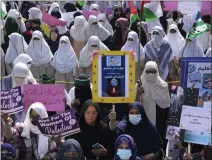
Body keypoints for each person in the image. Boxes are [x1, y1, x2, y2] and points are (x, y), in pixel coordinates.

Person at [140, 61, 170, 148]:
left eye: (153, 72)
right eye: (148, 72)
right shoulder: (140, 84)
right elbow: (135, 103)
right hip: (145, 122)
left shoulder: (163, 86)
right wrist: (138, 92)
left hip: (160, 120)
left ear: (157, 71)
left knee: (159, 145)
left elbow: (167, 105)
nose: (150, 74)